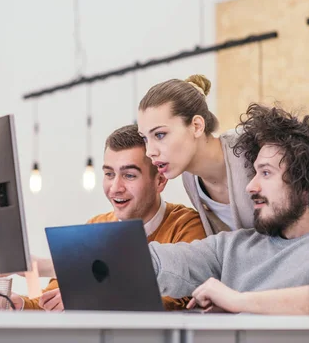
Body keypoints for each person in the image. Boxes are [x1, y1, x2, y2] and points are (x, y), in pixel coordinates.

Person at [137, 74, 309, 291]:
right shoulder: (189, 178)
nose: (150, 151)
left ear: (196, 126)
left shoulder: (252, 150)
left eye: (160, 135)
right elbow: (228, 252)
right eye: (145, 138)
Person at [13, 124, 206, 311]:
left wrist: (92, 298)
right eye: (109, 174)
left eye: (129, 175)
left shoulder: (187, 226)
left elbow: (180, 299)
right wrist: (17, 304)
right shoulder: (96, 227)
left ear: (160, 181)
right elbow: (53, 297)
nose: (115, 188)